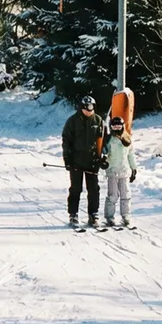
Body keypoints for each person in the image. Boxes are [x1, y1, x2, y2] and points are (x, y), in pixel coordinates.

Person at [62, 95, 104, 228]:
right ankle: (73, 214)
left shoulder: (98, 120)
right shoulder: (73, 121)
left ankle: (93, 214)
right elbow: (66, 140)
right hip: (76, 161)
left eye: (92, 108)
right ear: (82, 108)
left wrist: (102, 156)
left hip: (92, 161)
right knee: (76, 189)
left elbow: (103, 141)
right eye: (87, 108)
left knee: (93, 189)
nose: (89, 111)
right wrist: (67, 159)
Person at [103, 115, 136, 228]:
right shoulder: (109, 139)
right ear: (111, 127)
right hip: (112, 171)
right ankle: (109, 217)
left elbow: (131, 155)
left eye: (118, 126)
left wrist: (134, 168)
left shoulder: (126, 139)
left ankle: (125, 216)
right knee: (112, 195)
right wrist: (103, 160)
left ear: (123, 126)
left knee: (125, 195)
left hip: (124, 171)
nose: (116, 128)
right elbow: (104, 152)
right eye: (114, 126)